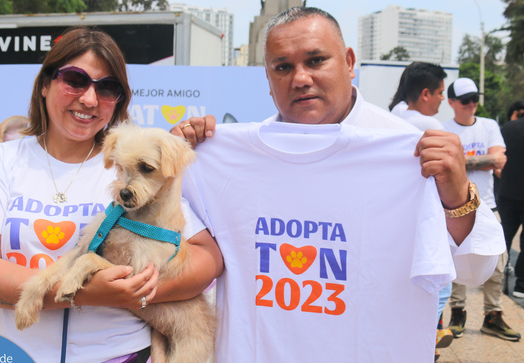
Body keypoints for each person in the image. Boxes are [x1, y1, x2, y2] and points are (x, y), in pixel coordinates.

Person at [172, 7, 505, 362]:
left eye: (316, 60)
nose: (300, 78)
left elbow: (474, 271)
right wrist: (170, 158)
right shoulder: (223, 157)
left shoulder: (409, 151)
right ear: (268, 79)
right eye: (282, 67)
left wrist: (456, 195)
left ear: (349, 62)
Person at [0, 27, 222, 363]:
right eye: (75, 80)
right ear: (45, 85)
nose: (89, 99)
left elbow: (207, 259)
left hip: (120, 355)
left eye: (107, 88)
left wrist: (134, 292)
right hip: (16, 351)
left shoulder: (132, 166)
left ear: (119, 101)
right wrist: (87, 293)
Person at [441, 78, 518, 342]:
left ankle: (492, 315)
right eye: (466, 100)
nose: (472, 104)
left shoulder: (489, 125)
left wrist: (461, 161)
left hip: (487, 204)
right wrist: (482, 161)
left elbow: (499, 160)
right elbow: (449, 165)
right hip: (455, 207)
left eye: (475, 98)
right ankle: (458, 313)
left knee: (498, 263)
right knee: (457, 262)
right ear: (451, 102)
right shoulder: (443, 129)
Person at [392, 61, 454, 356]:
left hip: (395, 223)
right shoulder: (430, 127)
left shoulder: (391, 116)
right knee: (439, 287)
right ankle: (425, 343)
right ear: (426, 93)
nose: (443, 99)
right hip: (427, 218)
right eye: (441, 92)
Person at [500, 99, 524, 298]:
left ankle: (495, 275)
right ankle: (521, 284)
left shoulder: (507, 128)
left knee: (504, 235)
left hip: (507, 192)